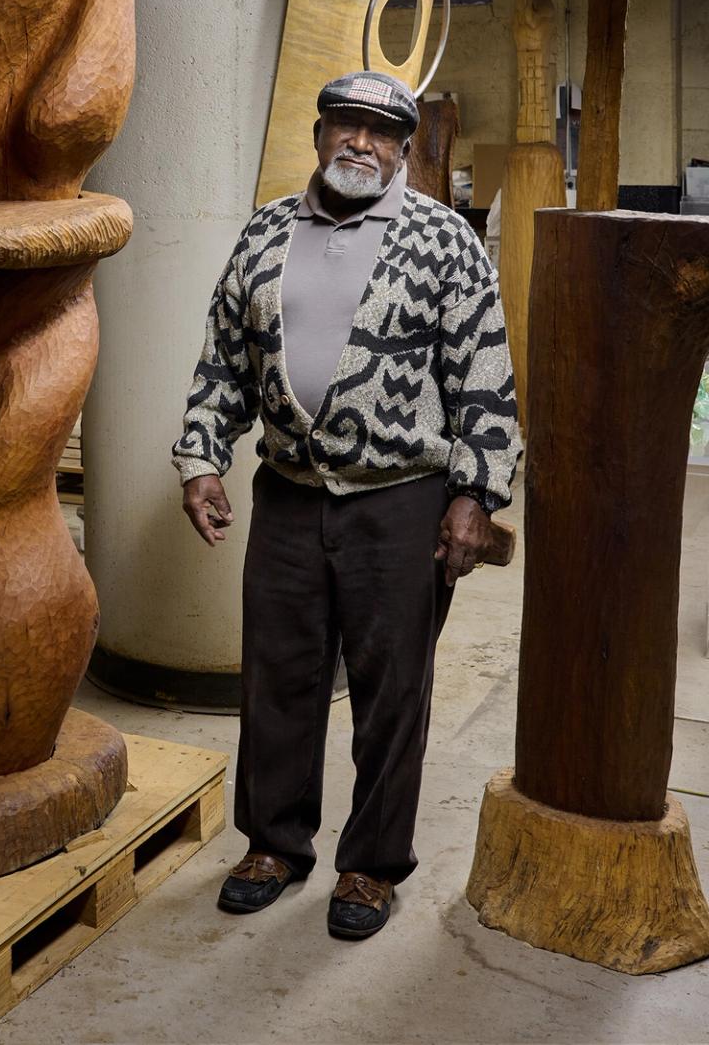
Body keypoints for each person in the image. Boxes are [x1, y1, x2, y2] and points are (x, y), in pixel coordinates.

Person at [171, 70, 519, 941]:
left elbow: (484, 374)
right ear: (320, 134)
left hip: (400, 502)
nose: (361, 142)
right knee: (278, 678)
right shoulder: (265, 233)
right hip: (289, 495)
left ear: (402, 149)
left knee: (391, 689)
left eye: (381, 131)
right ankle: (274, 845)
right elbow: (223, 359)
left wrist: (475, 493)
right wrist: (201, 456)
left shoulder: (443, 239)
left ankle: (371, 864)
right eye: (346, 126)